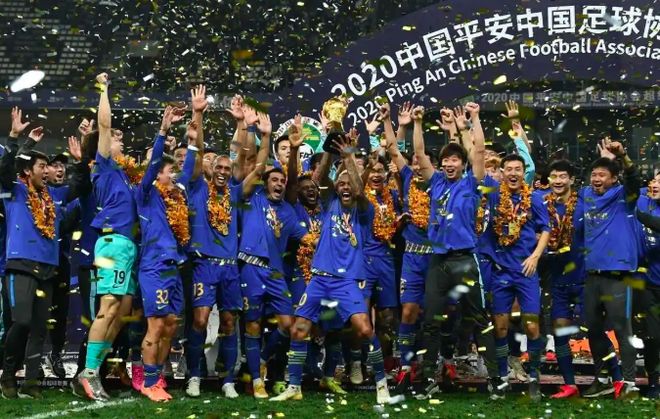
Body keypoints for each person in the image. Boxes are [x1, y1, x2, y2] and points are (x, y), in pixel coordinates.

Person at [270, 135, 391, 404]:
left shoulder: (364, 210)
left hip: (347, 281)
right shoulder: (328, 205)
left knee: (364, 329)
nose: (346, 187)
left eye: (349, 183)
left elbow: (358, 188)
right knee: (299, 329)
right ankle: (294, 386)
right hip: (319, 279)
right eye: (341, 183)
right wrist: (330, 148)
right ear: (336, 187)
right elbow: (321, 177)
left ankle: (382, 384)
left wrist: (348, 156)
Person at [0, 108, 88, 399]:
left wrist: (80, 160)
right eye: (41, 166)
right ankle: (8, 375)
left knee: (39, 329)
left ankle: (31, 382)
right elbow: (5, 168)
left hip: (48, 269)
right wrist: (17, 138)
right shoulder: (14, 191)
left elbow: (81, 185)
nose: (47, 170)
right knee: (21, 322)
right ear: (28, 171)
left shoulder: (55, 198)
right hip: (21, 265)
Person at [481, 153, 550, 401]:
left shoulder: (535, 198)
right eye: (508, 169)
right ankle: (502, 377)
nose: (513, 173)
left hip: (526, 271)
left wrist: (535, 257)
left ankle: (534, 377)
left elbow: (546, 229)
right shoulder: (493, 195)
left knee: (531, 325)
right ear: (502, 173)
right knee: (500, 327)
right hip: (500, 271)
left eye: (517, 169)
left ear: (524, 172)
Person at [578, 138, 641, 399]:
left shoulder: (624, 197)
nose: (596, 178)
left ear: (614, 179)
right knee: (593, 330)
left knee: (622, 329)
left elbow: (634, 179)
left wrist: (622, 157)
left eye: (602, 174)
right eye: (594, 174)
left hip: (618, 274)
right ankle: (603, 378)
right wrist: (605, 159)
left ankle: (629, 382)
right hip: (593, 274)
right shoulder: (586, 194)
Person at [536, 160, 584, 399]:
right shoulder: (541, 204)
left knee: (595, 330)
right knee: (560, 332)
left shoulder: (583, 203)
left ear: (572, 180)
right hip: (557, 279)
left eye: (563, 176)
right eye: (554, 176)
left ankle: (614, 379)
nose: (558, 181)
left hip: (584, 277)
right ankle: (570, 384)